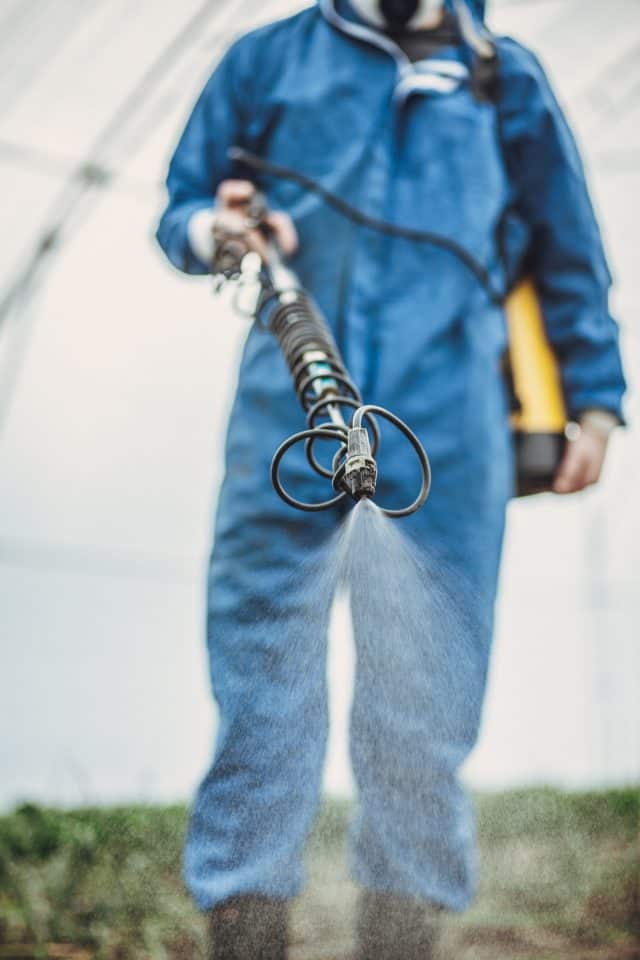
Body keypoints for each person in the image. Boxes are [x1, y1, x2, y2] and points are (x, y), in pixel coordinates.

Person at [156, 1, 626, 957]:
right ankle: (246, 922)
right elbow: (181, 204)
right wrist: (219, 227)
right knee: (260, 671)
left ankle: (400, 931)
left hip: (448, 422)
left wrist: (598, 397)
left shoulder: (504, 77)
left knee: (429, 681)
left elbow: (567, 245)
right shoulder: (266, 61)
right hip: (287, 413)